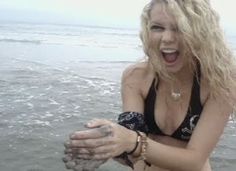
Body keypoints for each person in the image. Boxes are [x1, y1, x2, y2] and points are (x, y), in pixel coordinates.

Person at [63, 0, 236, 170]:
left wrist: (130, 140)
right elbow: (131, 137)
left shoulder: (220, 82)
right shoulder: (135, 77)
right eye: (157, 28)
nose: (166, 38)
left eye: (179, 28)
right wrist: (105, 143)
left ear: (201, 33)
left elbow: (195, 159)